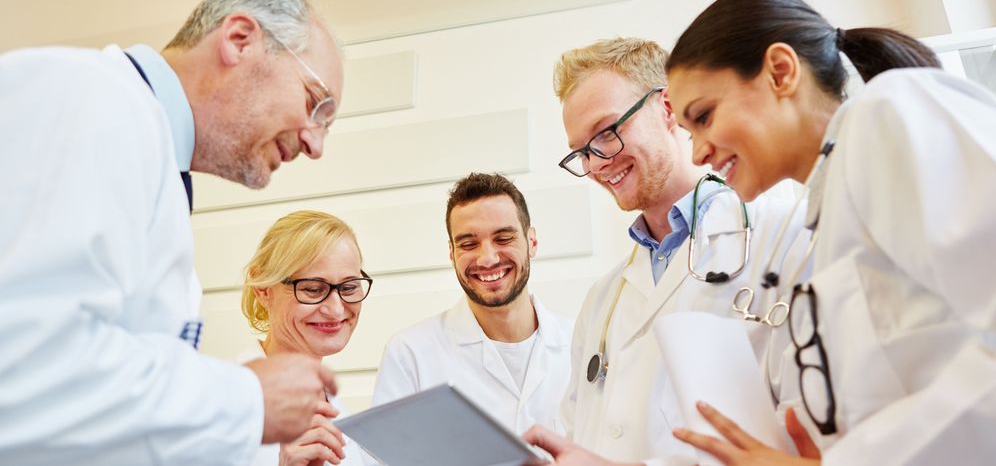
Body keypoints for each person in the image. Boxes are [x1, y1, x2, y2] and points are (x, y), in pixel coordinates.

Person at [0, 0, 344, 465]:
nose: (316, 144)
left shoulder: (155, 160)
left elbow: (110, 427)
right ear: (240, 39)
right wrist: (244, 399)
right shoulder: (92, 97)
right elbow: (24, 365)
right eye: (316, 103)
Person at [661, 0, 996, 465]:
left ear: (781, 71)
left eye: (704, 116)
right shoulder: (832, 209)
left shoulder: (887, 112)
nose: (698, 153)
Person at [524, 37, 813, 465]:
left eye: (606, 132)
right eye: (582, 152)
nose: (598, 162)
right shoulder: (602, 302)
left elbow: (813, 432)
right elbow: (581, 433)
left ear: (667, 108)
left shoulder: (787, 233)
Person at [370, 173, 573, 437]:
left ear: (531, 242)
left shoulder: (583, 343)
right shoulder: (410, 353)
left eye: (503, 238)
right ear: (452, 254)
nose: (487, 259)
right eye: (468, 244)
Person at [238, 210, 371, 466]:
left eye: (349, 287)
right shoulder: (221, 405)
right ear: (264, 289)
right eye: (313, 289)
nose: (336, 309)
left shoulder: (340, 414)